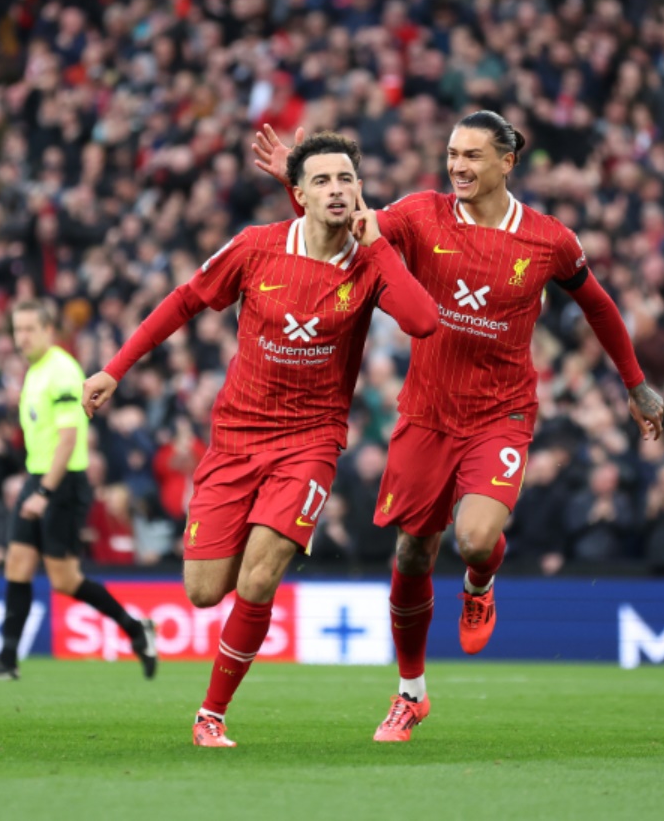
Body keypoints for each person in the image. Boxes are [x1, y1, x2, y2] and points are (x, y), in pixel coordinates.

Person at [253, 114, 664, 742]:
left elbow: (599, 306)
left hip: (501, 413)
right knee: (413, 551)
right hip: (426, 413)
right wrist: (297, 176)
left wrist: (636, 384)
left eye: (473, 155)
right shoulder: (422, 214)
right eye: (452, 154)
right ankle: (410, 694)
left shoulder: (549, 240)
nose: (459, 166)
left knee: (474, 539)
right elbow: (348, 224)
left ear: (508, 161)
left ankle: (480, 581)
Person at [82, 132, 439, 747]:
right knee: (201, 592)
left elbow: (423, 321)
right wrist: (115, 368)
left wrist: (378, 248)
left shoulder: (368, 263)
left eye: (346, 179)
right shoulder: (255, 247)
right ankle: (222, 656)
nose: (336, 189)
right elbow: (184, 301)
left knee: (258, 579)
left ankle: (210, 715)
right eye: (321, 180)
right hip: (236, 438)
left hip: (311, 442)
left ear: (361, 190)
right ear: (297, 194)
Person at [0, 301, 159, 682]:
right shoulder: (35, 372)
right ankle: (6, 660)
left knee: (65, 580)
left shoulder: (63, 371)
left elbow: (68, 439)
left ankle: (135, 629)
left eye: (30, 329)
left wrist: (45, 492)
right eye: (17, 330)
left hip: (62, 482)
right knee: (16, 564)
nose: (22, 338)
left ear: (49, 331)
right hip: (39, 478)